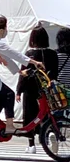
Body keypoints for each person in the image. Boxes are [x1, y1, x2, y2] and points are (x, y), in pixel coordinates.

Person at [0, 16, 41, 136]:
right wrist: (34, 62)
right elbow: (13, 53)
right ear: (1, 30)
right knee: (9, 95)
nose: (6, 31)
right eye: (6, 28)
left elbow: (6, 58)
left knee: (0, 100)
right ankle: (9, 126)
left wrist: (20, 72)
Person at [18, 25, 59, 153]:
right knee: (47, 113)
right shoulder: (53, 54)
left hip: (30, 88)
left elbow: (23, 74)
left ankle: (31, 145)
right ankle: (49, 134)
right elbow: (55, 73)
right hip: (47, 88)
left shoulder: (29, 54)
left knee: (29, 115)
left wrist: (18, 91)